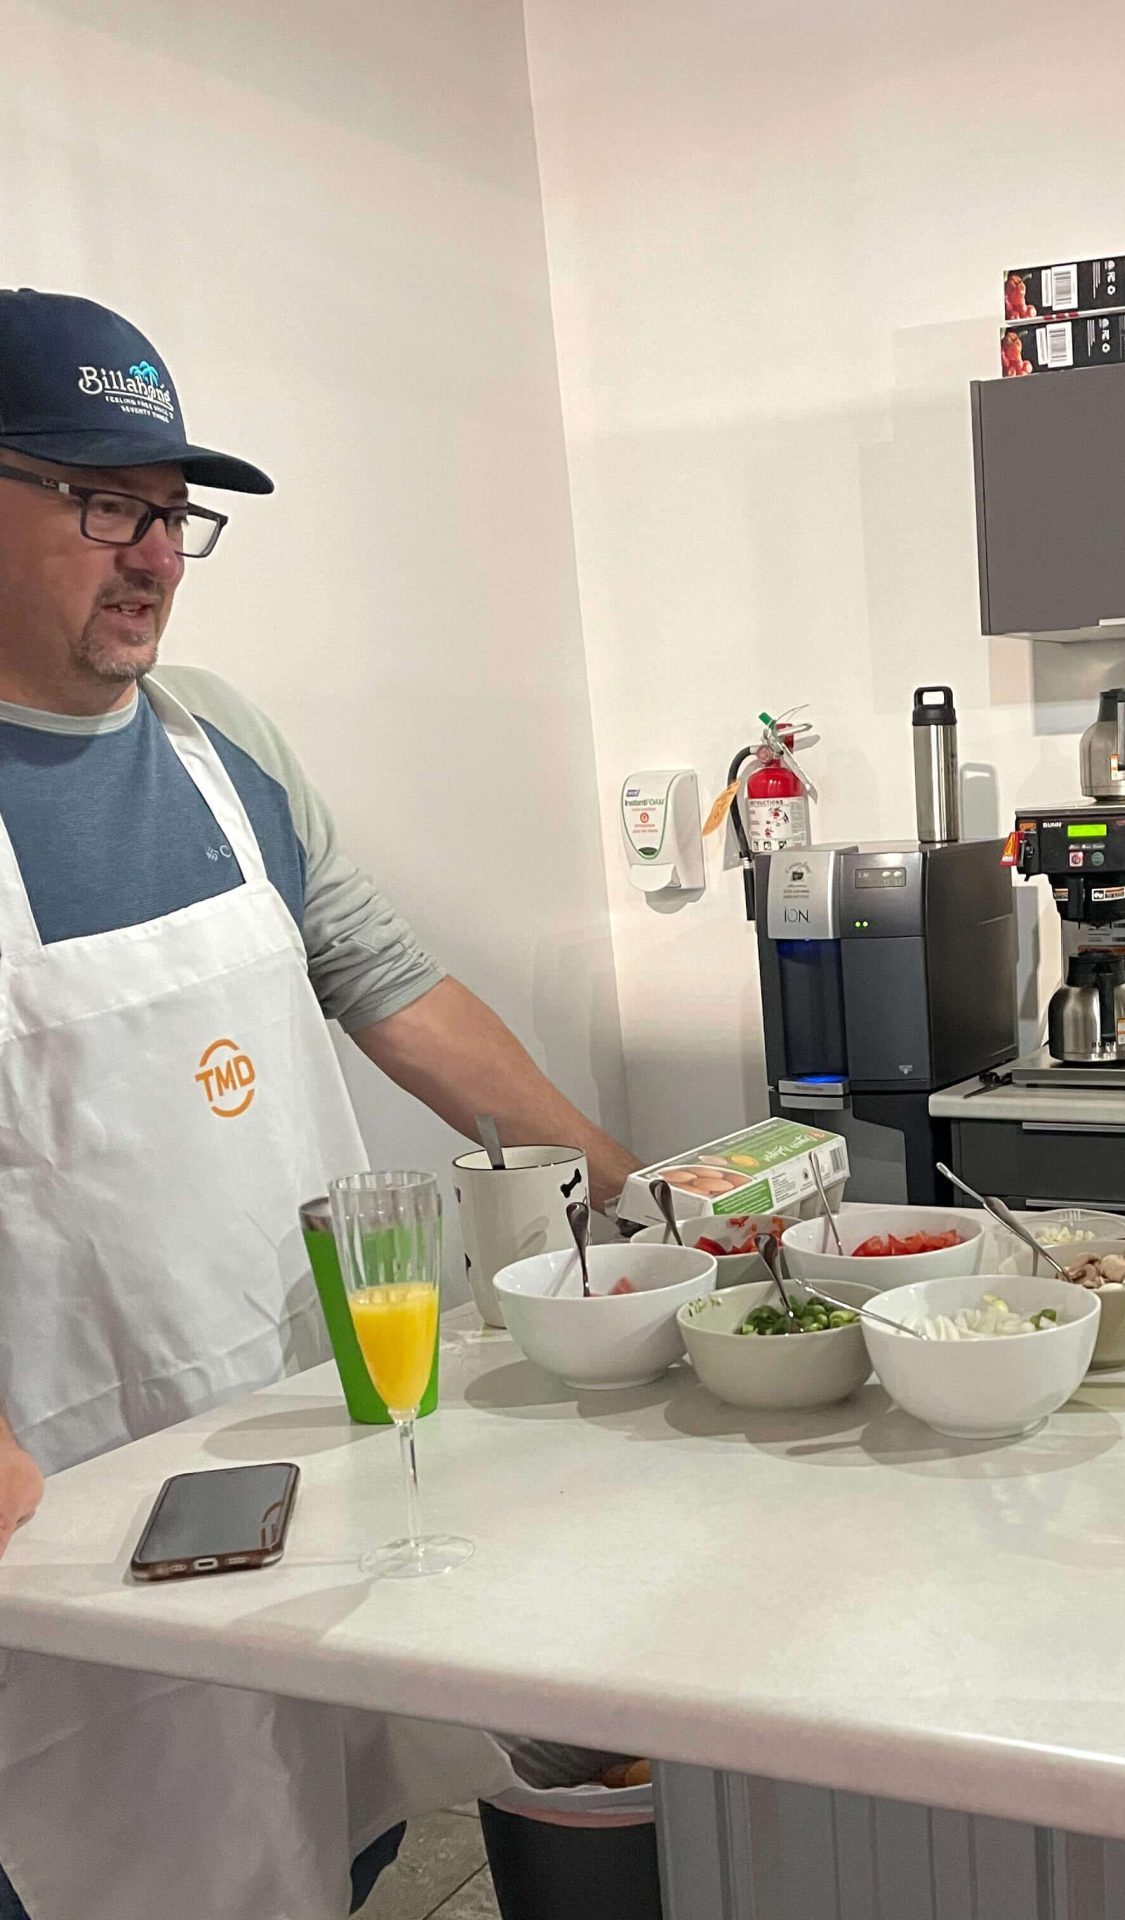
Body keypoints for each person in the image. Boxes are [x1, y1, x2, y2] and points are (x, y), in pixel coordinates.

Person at [0, 290, 643, 1917]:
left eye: (174, 515)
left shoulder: (221, 739)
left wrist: (612, 1175)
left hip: (307, 1422)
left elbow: (389, 984)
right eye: (104, 505)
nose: (155, 556)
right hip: (66, 1486)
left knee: (323, 1811)